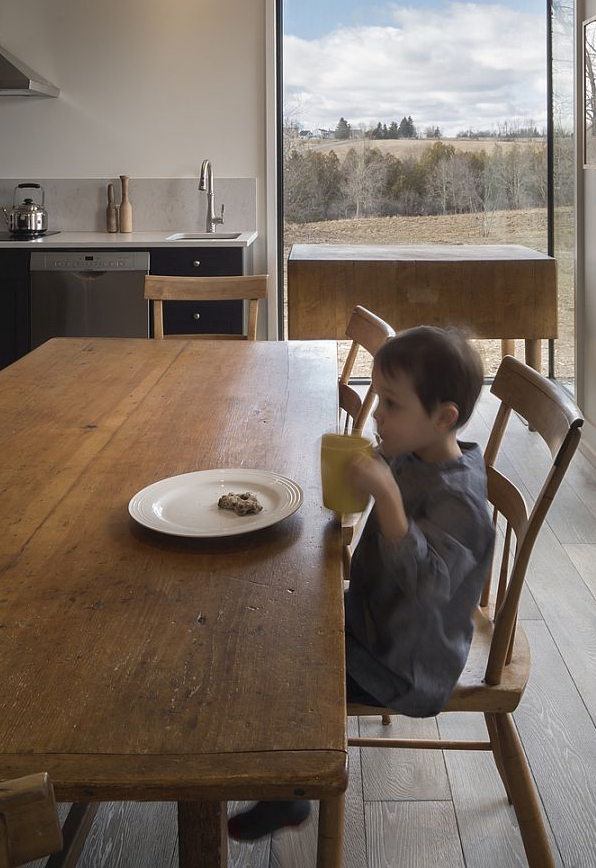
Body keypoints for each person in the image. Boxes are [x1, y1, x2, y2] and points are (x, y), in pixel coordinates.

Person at [228, 325, 496, 842]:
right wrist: (356, 484)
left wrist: (389, 500)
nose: (378, 413)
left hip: (407, 662)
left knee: (292, 671)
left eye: (391, 404)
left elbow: (432, 590)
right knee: (273, 622)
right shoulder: (414, 451)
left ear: (444, 418)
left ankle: (291, 795)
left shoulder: (460, 501)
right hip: (373, 617)